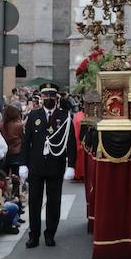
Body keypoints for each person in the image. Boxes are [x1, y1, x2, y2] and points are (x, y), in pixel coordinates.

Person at [19, 84, 76, 248]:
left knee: (54, 202)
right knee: (34, 202)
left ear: (56, 97)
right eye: (45, 96)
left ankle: (50, 234)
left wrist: (71, 165)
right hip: (35, 166)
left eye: (52, 95)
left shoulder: (65, 116)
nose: (48, 98)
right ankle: (34, 236)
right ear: (41, 98)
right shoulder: (33, 115)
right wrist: (23, 164)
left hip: (55, 165)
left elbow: (71, 143)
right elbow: (26, 142)